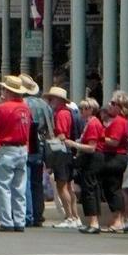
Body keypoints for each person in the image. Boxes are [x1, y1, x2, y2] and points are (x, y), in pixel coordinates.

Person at [0, 75, 32, 232]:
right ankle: (20, 221)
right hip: (22, 149)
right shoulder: (26, 108)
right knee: (19, 187)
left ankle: (6, 221)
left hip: (7, 148)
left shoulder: (4, 107)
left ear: (8, 91)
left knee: (2, 186)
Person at [64, 98, 104, 234]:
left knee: (90, 189)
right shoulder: (90, 123)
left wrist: (74, 144)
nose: (81, 111)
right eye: (80, 108)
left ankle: (94, 222)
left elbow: (92, 147)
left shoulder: (93, 124)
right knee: (90, 188)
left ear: (91, 110)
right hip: (91, 158)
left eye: (84, 109)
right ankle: (93, 221)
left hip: (93, 159)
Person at [44, 86, 80, 228]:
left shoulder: (61, 114)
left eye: (52, 98)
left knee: (62, 186)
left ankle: (70, 216)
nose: (50, 100)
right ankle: (75, 216)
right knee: (68, 187)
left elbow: (62, 135)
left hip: (61, 152)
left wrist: (51, 138)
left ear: (58, 100)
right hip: (68, 152)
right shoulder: (69, 112)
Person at [20, 73, 53, 227]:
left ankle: (28, 213)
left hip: (26, 143)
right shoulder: (44, 105)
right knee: (37, 181)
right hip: (40, 143)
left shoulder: (22, 103)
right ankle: (38, 214)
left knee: (24, 180)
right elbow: (50, 128)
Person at [98, 90, 128, 232]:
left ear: (119, 106)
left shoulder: (119, 121)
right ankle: (117, 219)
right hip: (115, 157)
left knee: (112, 188)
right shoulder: (119, 120)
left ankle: (118, 220)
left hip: (115, 157)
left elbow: (114, 142)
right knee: (111, 187)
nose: (109, 105)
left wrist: (99, 136)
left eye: (113, 103)